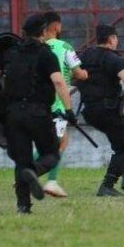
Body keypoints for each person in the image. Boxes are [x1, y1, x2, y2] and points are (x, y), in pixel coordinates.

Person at [0, 13, 75, 214]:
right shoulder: (46, 54)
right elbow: (59, 82)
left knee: (21, 160)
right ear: (43, 32)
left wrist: (2, 95)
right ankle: (32, 172)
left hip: (12, 114)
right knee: (51, 153)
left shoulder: (9, 53)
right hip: (38, 113)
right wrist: (69, 111)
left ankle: (23, 206)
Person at [77, 24, 124, 197]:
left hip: (89, 111)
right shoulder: (114, 59)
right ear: (112, 39)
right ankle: (107, 185)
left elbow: (74, 77)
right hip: (107, 109)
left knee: (121, 137)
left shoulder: (85, 55)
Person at [36, 11, 88, 198]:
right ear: (57, 26)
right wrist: (84, 74)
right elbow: (79, 73)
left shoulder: (36, 47)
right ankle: (47, 180)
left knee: (54, 141)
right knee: (57, 143)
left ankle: (31, 175)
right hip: (57, 102)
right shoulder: (64, 46)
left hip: (36, 102)